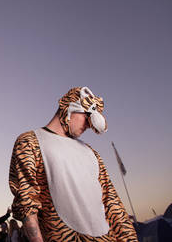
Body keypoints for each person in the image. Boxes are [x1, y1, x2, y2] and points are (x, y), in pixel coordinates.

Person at [9, 86, 138, 241]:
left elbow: (112, 203)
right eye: (86, 117)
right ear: (70, 108)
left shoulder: (92, 153)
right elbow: (26, 201)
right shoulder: (30, 141)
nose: (89, 125)